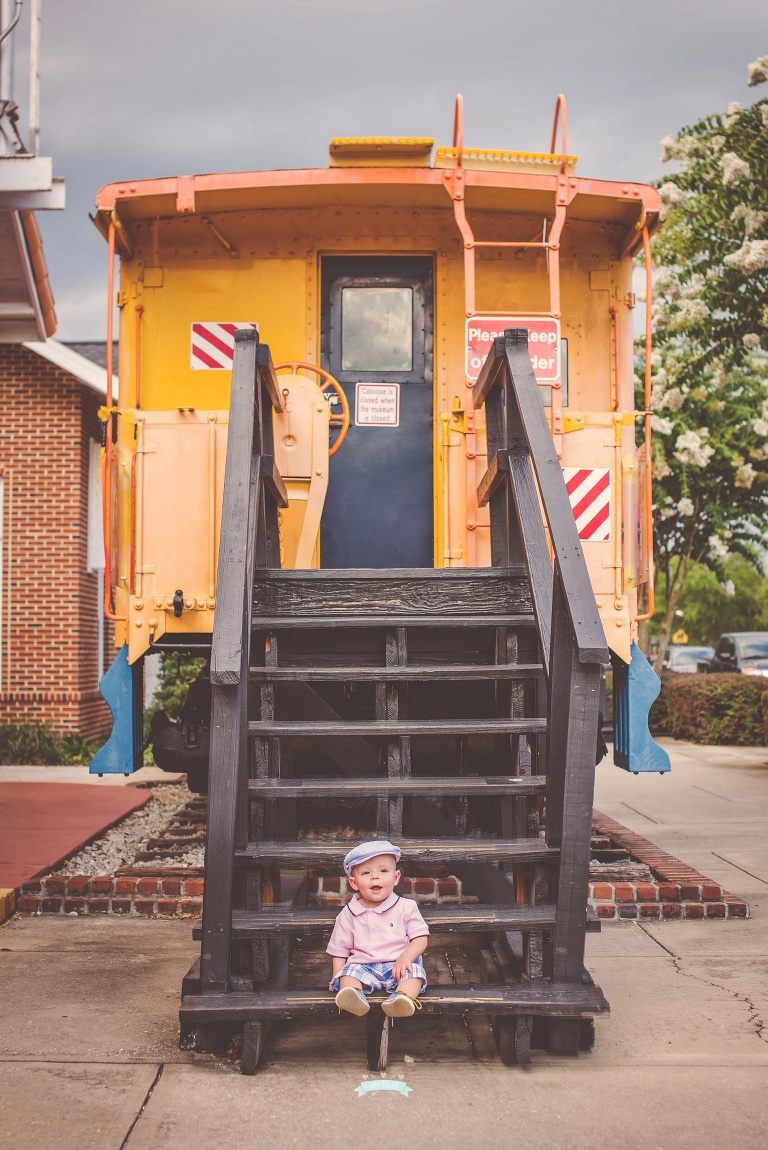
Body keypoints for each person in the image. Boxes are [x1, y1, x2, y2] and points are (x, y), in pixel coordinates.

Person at [327, 839, 429, 1018]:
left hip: (398, 964)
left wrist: (406, 958)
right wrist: (336, 976)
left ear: (396, 877)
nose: (375, 877)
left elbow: (420, 939)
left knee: (416, 973)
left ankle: (401, 999)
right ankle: (353, 996)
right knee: (348, 974)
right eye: (366, 873)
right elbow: (340, 950)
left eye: (383, 871)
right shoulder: (348, 913)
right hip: (363, 966)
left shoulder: (406, 907)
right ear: (354, 883)